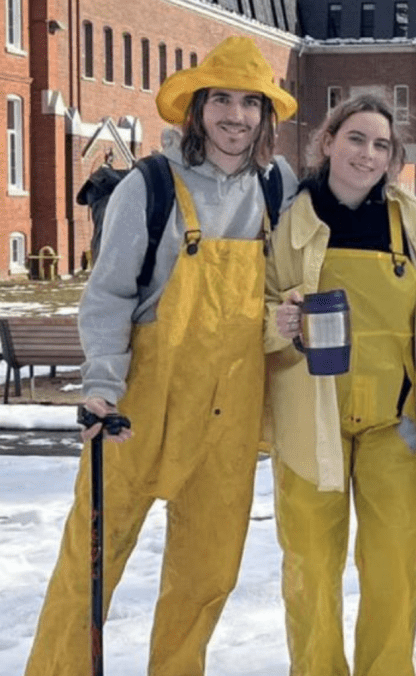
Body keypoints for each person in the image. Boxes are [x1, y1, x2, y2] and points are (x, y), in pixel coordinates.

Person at [24, 36, 298, 676]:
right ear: (198, 108)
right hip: (138, 412)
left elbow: (279, 292)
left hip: (226, 422)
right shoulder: (148, 186)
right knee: (91, 566)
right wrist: (100, 387)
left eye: (250, 103)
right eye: (223, 100)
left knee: (206, 577)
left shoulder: (276, 189)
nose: (237, 116)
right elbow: (109, 296)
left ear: (266, 115)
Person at [264, 94, 416, 676]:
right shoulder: (286, 217)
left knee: (396, 564)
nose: (367, 154)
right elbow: (255, 305)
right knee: (311, 568)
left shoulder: (413, 219)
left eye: (380, 145)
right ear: (327, 142)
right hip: (309, 421)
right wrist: (275, 323)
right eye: (355, 139)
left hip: (396, 422)